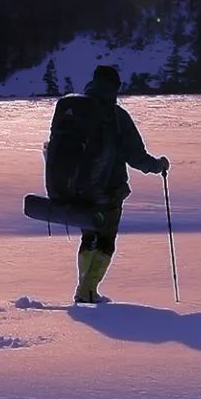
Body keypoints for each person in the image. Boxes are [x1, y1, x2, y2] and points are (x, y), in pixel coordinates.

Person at [73, 63, 169, 304]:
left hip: (80, 190)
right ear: (114, 86)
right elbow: (136, 156)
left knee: (89, 237)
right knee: (105, 240)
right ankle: (88, 290)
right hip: (109, 192)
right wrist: (158, 165)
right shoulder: (116, 117)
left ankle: (84, 288)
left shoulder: (76, 110)